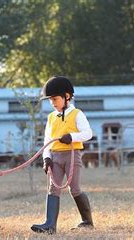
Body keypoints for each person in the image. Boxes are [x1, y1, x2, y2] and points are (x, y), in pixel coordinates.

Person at [31, 76, 94, 234]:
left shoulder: (77, 114)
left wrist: (72, 137)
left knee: (75, 189)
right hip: (55, 156)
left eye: (55, 99)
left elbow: (88, 133)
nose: (52, 103)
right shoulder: (51, 117)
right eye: (50, 100)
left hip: (72, 155)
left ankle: (87, 221)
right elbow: (47, 139)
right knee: (53, 189)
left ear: (67, 97)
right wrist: (46, 157)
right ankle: (50, 225)